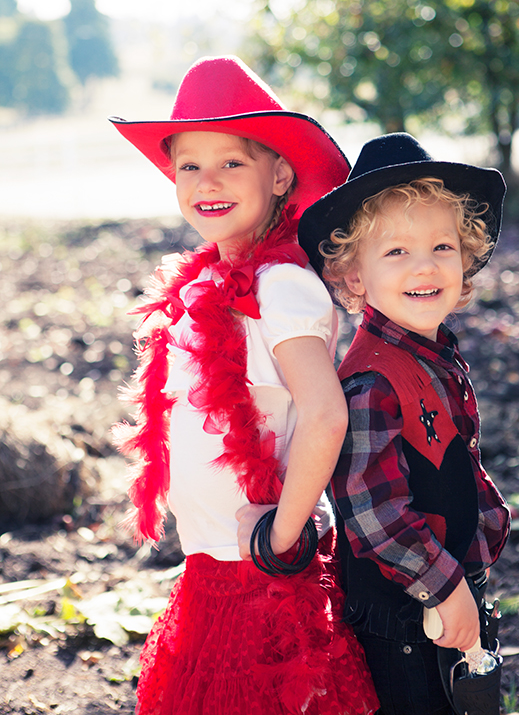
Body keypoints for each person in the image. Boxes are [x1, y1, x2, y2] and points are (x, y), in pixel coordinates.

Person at [110, 56, 379, 715]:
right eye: (188, 166)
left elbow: (324, 415)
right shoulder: (203, 285)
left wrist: (284, 534)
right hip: (213, 560)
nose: (207, 181)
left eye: (231, 162)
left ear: (280, 174)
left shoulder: (281, 286)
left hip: (261, 564)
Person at [298, 133, 511, 715]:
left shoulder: (433, 351)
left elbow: (457, 454)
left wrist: (486, 531)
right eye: (396, 252)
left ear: (466, 259)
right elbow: (374, 513)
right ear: (354, 276)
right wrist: (445, 586)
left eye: (443, 245)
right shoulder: (370, 381)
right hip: (404, 615)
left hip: (446, 587)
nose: (425, 265)